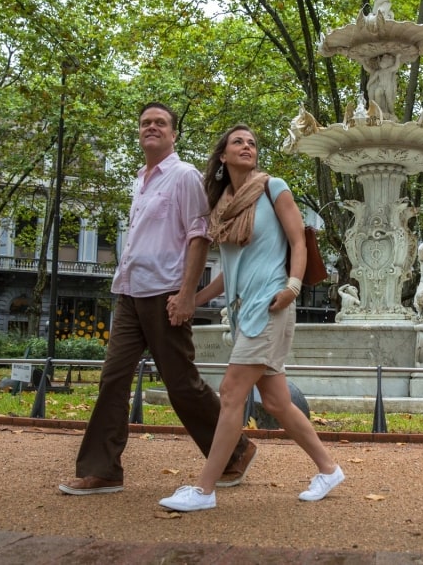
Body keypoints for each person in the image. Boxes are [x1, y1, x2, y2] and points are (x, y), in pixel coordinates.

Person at [59, 103, 255, 496]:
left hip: (165, 294)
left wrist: (186, 295)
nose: (152, 127)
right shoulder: (140, 180)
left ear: (173, 134)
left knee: (181, 383)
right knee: (113, 378)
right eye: (146, 122)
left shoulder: (183, 177)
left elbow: (198, 236)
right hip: (129, 292)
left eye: (160, 123)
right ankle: (103, 470)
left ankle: (234, 450)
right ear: (139, 132)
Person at [159, 124, 343, 512]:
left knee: (230, 393)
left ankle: (204, 490)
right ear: (223, 156)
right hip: (244, 311)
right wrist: (191, 298)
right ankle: (329, 469)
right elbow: (231, 270)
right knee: (276, 402)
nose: (247, 146)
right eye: (238, 142)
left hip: (270, 305)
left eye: (253, 143)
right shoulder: (222, 204)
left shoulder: (273, 187)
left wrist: (293, 287)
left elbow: (298, 242)